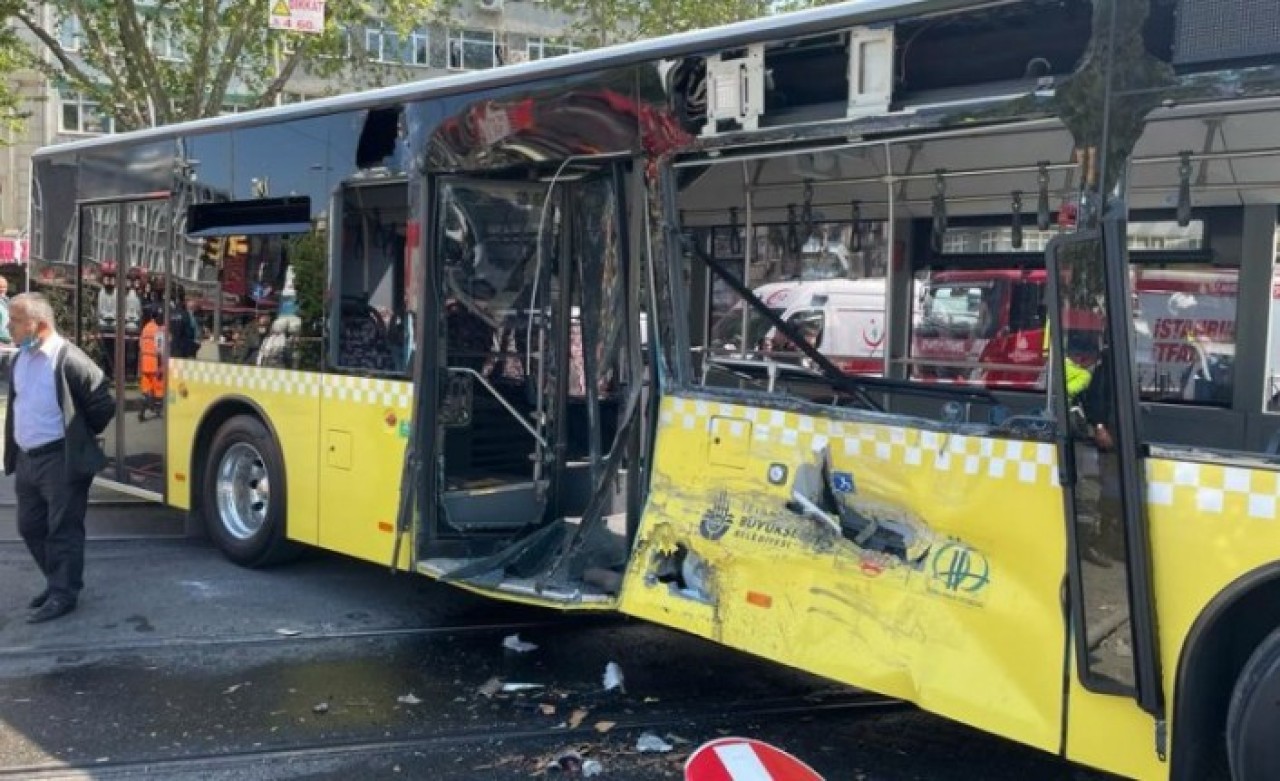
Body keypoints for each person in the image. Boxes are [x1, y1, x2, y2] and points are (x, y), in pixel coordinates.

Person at [4, 293, 116, 623]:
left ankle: (63, 593)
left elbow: (102, 404)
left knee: (63, 529)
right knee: (29, 526)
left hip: (59, 459)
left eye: (14, 321)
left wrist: (78, 437)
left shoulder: (67, 358)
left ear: (35, 325)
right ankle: (56, 582)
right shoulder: (19, 359)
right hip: (28, 459)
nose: (8, 327)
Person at [138, 307, 166, 422]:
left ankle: (143, 410)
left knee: (146, 389)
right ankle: (158, 410)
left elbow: (140, 345)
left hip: (145, 363)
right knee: (159, 389)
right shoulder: (158, 330)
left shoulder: (145, 328)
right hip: (155, 364)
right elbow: (160, 350)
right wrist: (161, 366)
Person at [0, 275, 12, 346]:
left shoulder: (8, 301)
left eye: (4, 287)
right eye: (0, 287)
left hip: (9, 339)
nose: (2, 289)